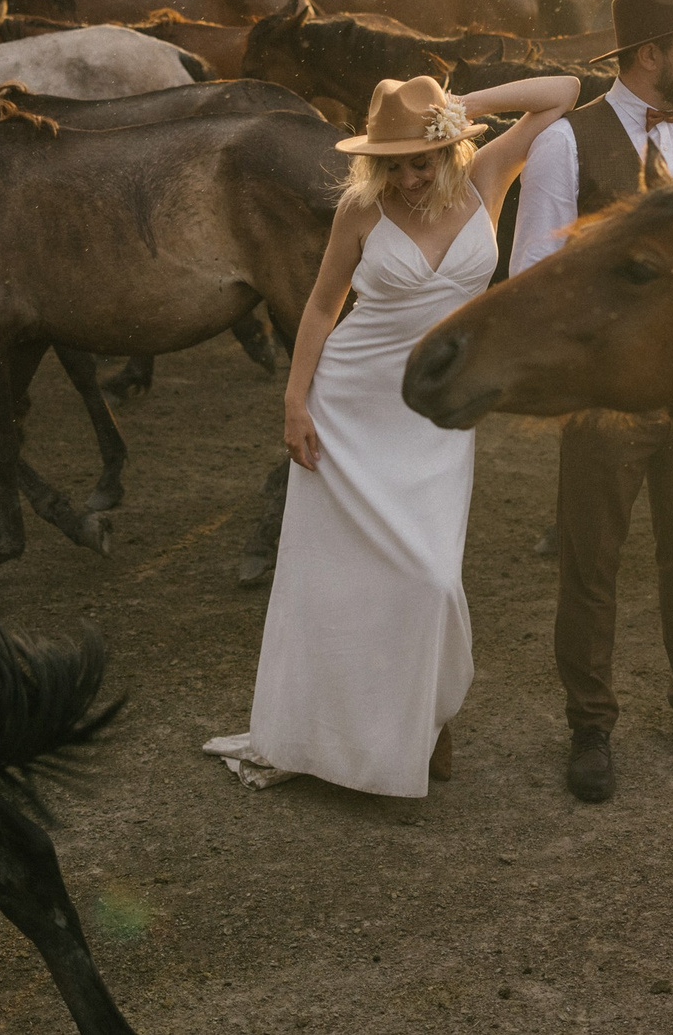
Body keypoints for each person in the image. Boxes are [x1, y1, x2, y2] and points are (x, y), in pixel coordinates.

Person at [205, 69, 578, 798]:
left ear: (449, 149)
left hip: (436, 415)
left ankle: (426, 715)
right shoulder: (360, 210)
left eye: (424, 158)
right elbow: (319, 308)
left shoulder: (490, 175)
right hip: (352, 403)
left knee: (431, 581)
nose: (410, 177)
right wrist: (294, 399)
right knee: (345, 584)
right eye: (396, 162)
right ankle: (372, 736)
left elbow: (563, 91)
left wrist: (461, 109)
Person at [511, 0, 673, 803]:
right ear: (651, 55)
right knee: (591, 566)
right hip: (607, 404)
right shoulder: (566, 145)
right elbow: (532, 279)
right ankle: (591, 726)